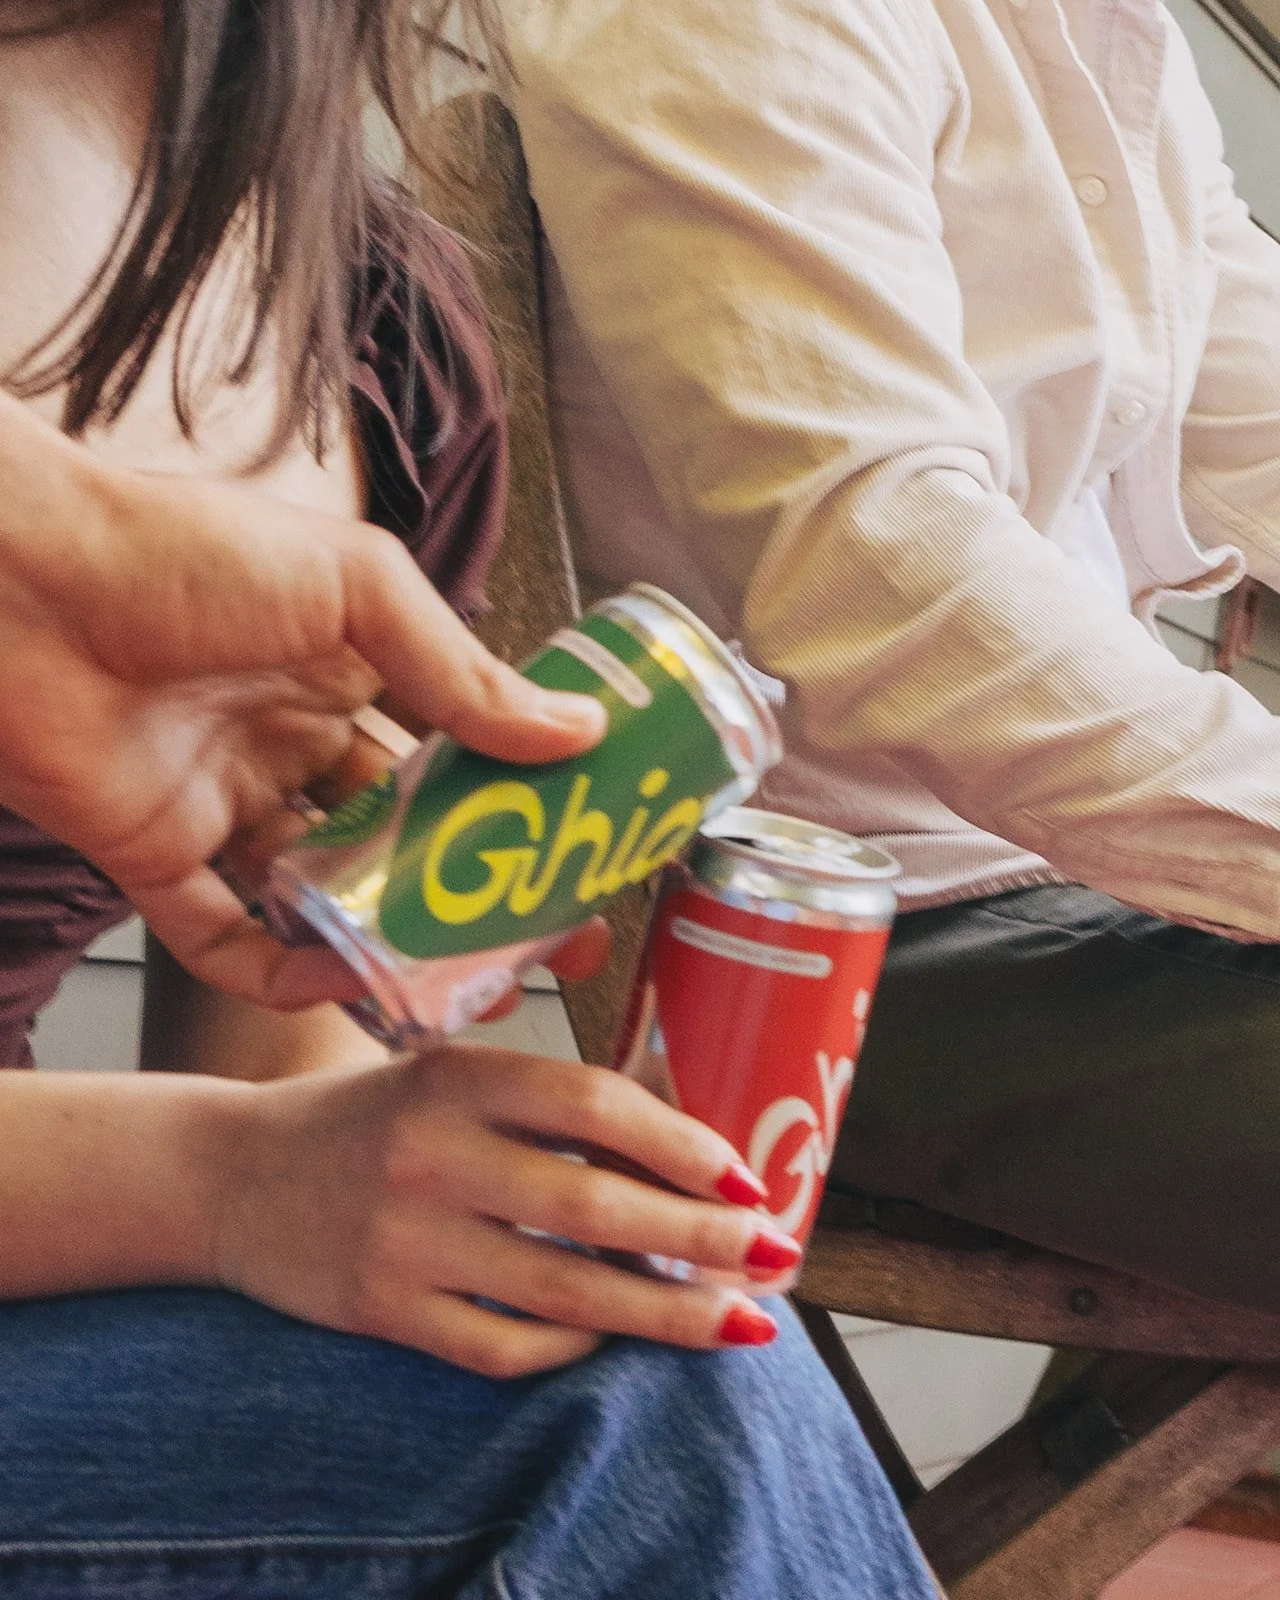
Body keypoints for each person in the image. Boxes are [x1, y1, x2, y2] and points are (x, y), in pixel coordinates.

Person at [0, 2, 940, 1594]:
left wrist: (356, 1178)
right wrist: (225, 1187)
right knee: (659, 1429)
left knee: (638, 1359)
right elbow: (233, 1163)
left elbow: (274, 1087)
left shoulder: (375, 334)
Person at [505, 0, 1280, 1311]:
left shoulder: (1114, 36)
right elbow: (885, 578)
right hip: (814, 951)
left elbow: (1259, 421)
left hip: (1063, 893)